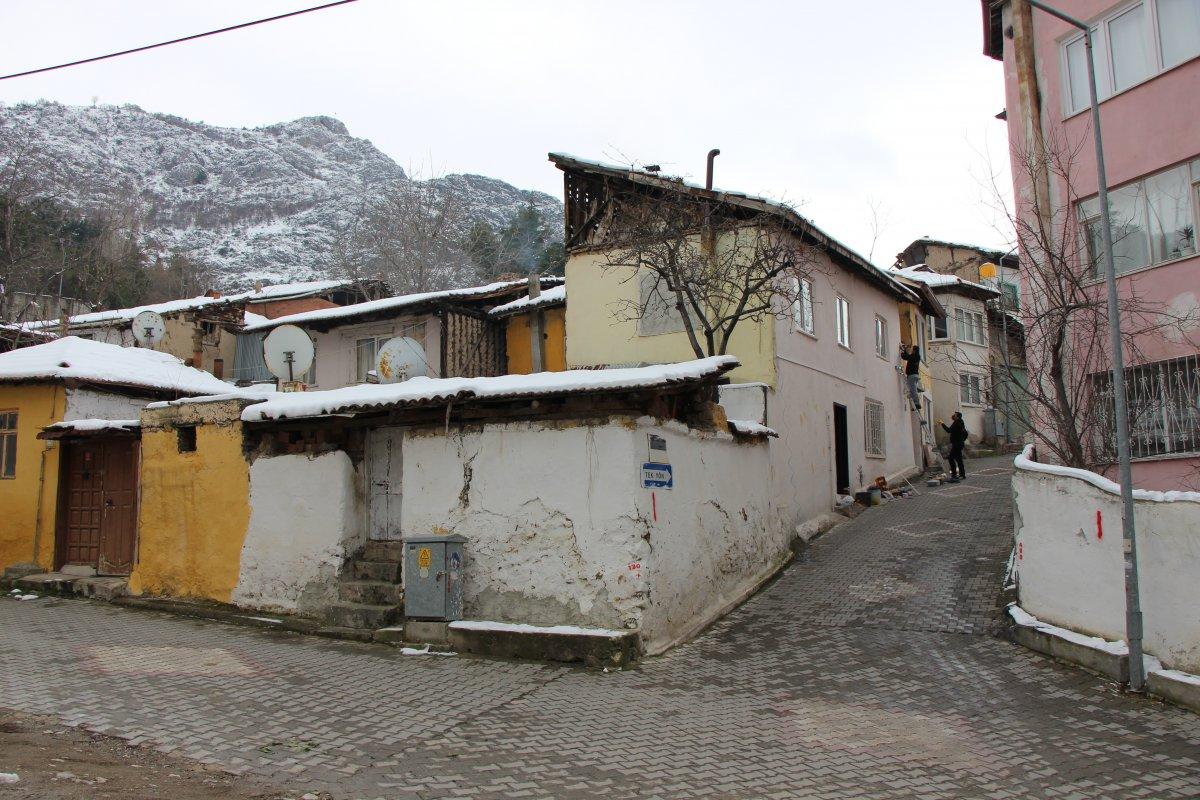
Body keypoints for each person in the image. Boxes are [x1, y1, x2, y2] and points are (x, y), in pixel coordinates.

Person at [938, 412, 969, 481]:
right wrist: (962, 440)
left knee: (951, 458)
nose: (953, 416)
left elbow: (949, 430)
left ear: (957, 417)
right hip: (960, 443)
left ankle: (954, 475)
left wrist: (942, 423)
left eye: (954, 415)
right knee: (959, 459)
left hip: (957, 444)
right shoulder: (961, 422)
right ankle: (962, 475)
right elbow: (966, 433)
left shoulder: (956, 423)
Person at [900, 343, 922, 411]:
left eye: (912, 350)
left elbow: (906, 357)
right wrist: (904, 351)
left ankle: (917, 403)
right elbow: (908, 356)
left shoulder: (914, 356)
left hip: (911, 376)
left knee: (913, 390)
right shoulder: (917, 356)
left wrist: (902, 352)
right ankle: (914, 406)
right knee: (912, 390)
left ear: (914, 351)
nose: (911, 351)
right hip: (915, 375)